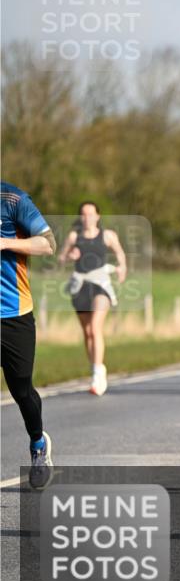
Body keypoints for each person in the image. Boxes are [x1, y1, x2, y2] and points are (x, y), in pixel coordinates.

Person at [1, 182, 57, 489]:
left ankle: (38, 443)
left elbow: (48, 244)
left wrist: (5, 243)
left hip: (13, 313)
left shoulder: (13, 199)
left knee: (21, 390)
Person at [58, 202, 127, 396]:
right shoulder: (74, 236)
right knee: (87, 331)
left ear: (98, 216)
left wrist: (122, 269)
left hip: (101, 284)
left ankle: (98, 374)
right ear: (80, 217)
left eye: (91, 214)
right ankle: (96, 367)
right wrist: (70, 256)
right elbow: (60, 259)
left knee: (96, 327)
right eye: (84, 214)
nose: (87, 217)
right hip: (80, 285)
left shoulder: (107, 235)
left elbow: (120, 253)